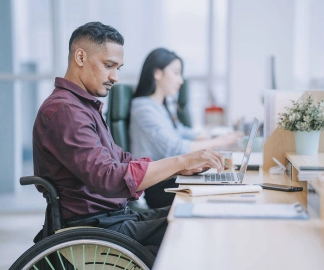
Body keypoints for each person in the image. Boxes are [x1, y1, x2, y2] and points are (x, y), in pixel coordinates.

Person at [32, 22, 224, 256]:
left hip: (113, 219)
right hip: (95, 229)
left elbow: (120, 158)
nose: (115, 77)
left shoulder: (82, 106)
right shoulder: (66, 111)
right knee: (193, 226)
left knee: (193, 212)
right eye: (108, 65)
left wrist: (178, 169)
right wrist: (180, 162)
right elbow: (109, 177)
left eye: (118, 68)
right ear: (80, 57)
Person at [129, 48, 242, 208]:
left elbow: (180, 131)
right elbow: (174, 148)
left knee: (223, 184)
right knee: (217, 193)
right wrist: (219, 140)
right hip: (158, 185)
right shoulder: (143, 108)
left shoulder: (162, 105)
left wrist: (209, 139)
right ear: (157, 73)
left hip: (172, 176)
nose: (180, 81)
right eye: (176, 73)